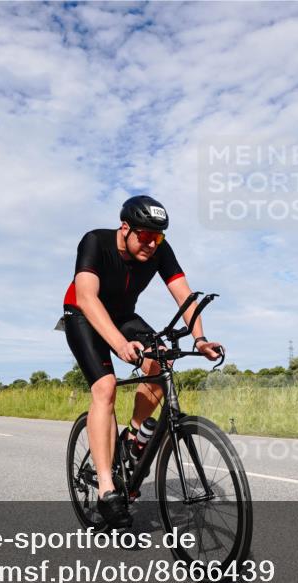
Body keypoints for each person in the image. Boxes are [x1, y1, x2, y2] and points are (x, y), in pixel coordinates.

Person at [62, 195, 222, 528]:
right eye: (145, 236)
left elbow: (184, 295)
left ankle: (134, 438)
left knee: (159, 361)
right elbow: (88, 297)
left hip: (123, 315)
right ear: (125, 228)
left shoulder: (160, 250)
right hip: (82, 314)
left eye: (158, 236)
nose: (152, 243)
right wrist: (119, 344)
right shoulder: (95, 241)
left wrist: (200, 339)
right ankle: (107, 487)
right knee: (105, 388)